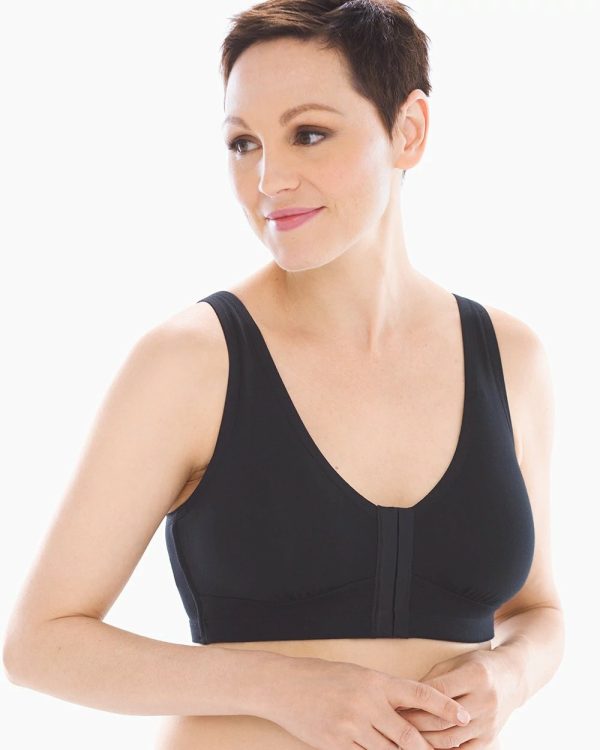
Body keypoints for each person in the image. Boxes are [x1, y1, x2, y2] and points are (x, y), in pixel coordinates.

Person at [3, 2, 565, 749]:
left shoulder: (510, 357)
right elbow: (39, 643)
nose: (268, 180)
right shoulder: (192, 361)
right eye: (243, 143)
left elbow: (538, 611)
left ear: (408, 130)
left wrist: (512, 674)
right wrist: (283, 687)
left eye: (309, 134)